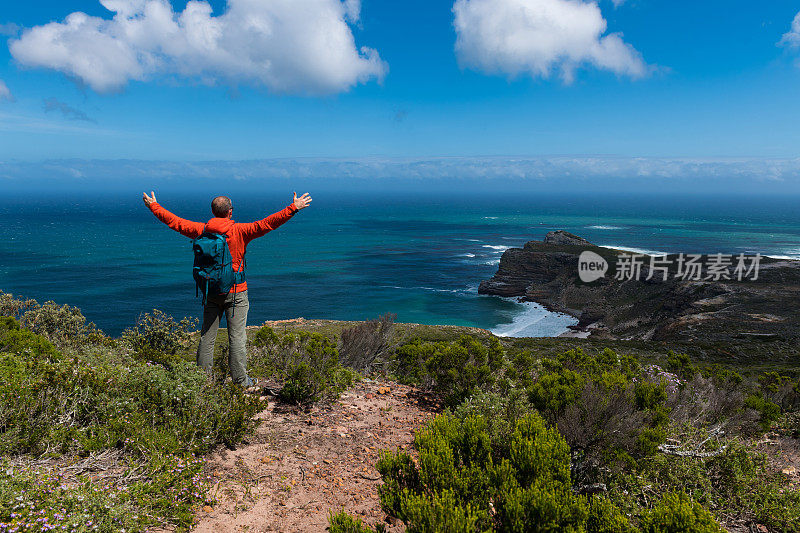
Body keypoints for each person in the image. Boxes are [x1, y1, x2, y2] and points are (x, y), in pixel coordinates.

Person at [142, 190, 312, 387]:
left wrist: (154, 206)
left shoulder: (201, 230)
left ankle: (202, 381)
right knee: (237, 338)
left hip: (211, 291)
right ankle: (240, 381)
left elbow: (175, 222)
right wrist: (293, 208)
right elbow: (267, 223)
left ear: (213, 212)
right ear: (230, 212)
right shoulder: (240, 231)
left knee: (207, 336)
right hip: (236, 292)